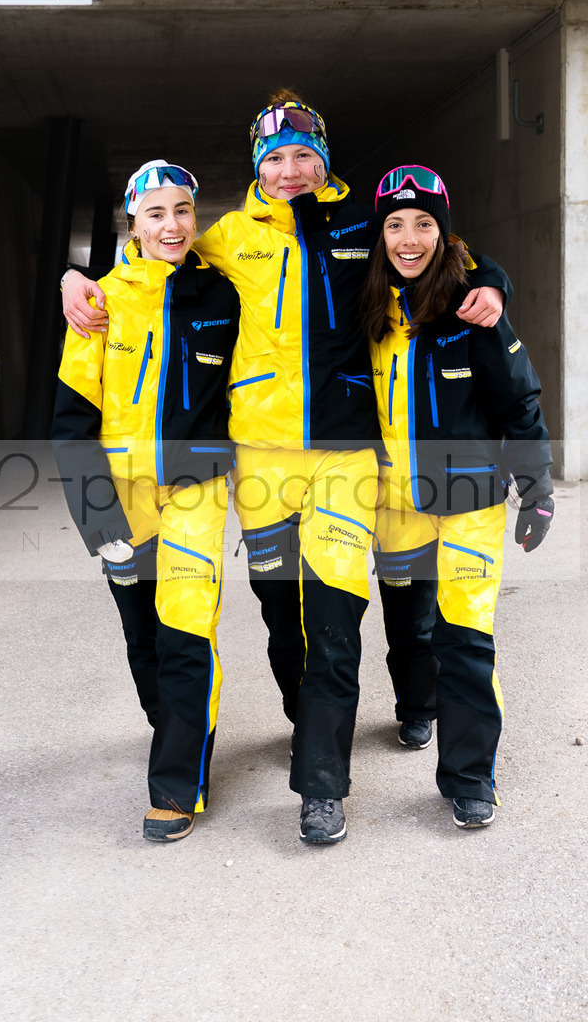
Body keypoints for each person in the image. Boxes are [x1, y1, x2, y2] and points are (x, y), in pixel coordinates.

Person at [61, 92, 510, 844]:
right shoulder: (228, 238)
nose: (292, 170)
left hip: (346, 459)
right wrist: (78, 281)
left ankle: (322, 781)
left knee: (334, 616)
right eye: (277, 158)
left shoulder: (366, 228)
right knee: (282, 618)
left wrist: (490, 279)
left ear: (324, 161)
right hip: (260, 466)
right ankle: (309, 720)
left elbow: (437, 250)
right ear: (257, 165)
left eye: (306, 156)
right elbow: (153, 265)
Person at [51, 160, 240, 842]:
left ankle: (176, 783)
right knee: (144, 639)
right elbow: (72, 423)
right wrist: (96, 519)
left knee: (187, 630)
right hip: (121, 499)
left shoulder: (223, 293)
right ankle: (177, 734)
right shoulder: (98, 302)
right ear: (134, 221)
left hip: (197, 491)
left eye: (183, 211)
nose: (172, 225)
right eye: (156, 213)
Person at [363, 164, 554, 827]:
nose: (409, 239)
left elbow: (520, 402)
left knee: (465, 639)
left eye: (425, 224)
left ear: (445, 234)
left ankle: (470, 779)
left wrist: (536, 492)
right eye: (395, 224)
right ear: (378, 233)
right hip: (394, 503)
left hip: (469, 500)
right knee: (408, 627)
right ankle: (417, 709)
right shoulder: (368, 310)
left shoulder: (476, 307)